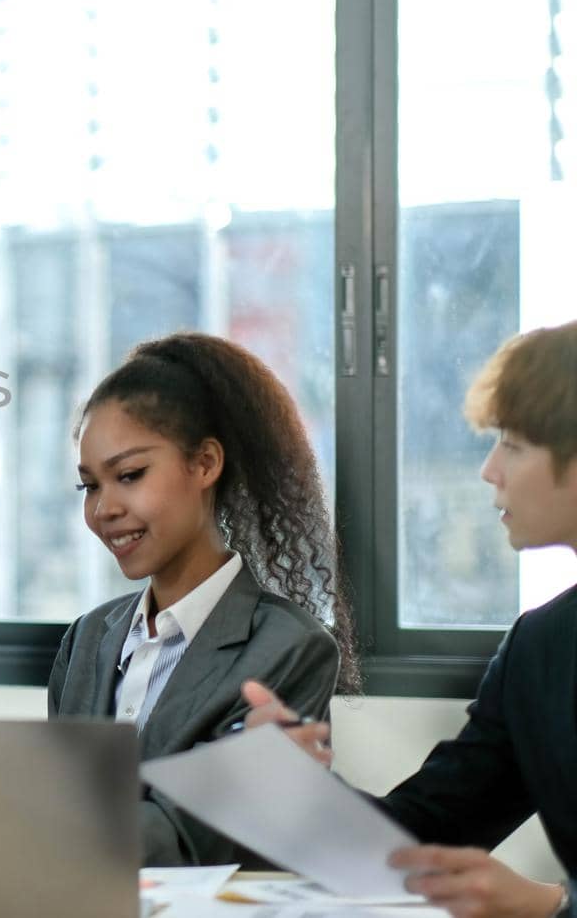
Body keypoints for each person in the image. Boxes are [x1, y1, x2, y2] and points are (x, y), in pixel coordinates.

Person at [244, 319, 577, 918]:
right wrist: (297, 789)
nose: (489, 470)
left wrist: (550, 906)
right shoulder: (542, 648)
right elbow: (419, 836)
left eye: (515, 444)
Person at [49, 332, 356, 866]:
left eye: (129, 475)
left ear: (205, 464)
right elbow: (50, 812)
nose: (104, 509)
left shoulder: (289, 649)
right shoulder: (86, 641)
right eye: (89, 487)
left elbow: (199, 845)